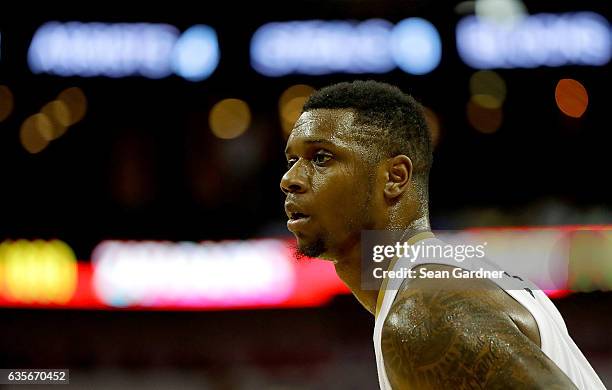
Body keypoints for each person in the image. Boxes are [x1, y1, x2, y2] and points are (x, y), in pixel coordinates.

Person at [280, 80, 605, 389]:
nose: (289, 179)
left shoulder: (426, 313)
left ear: (395, 177)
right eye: (292, 159)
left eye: (321, 158)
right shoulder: (444, 281)